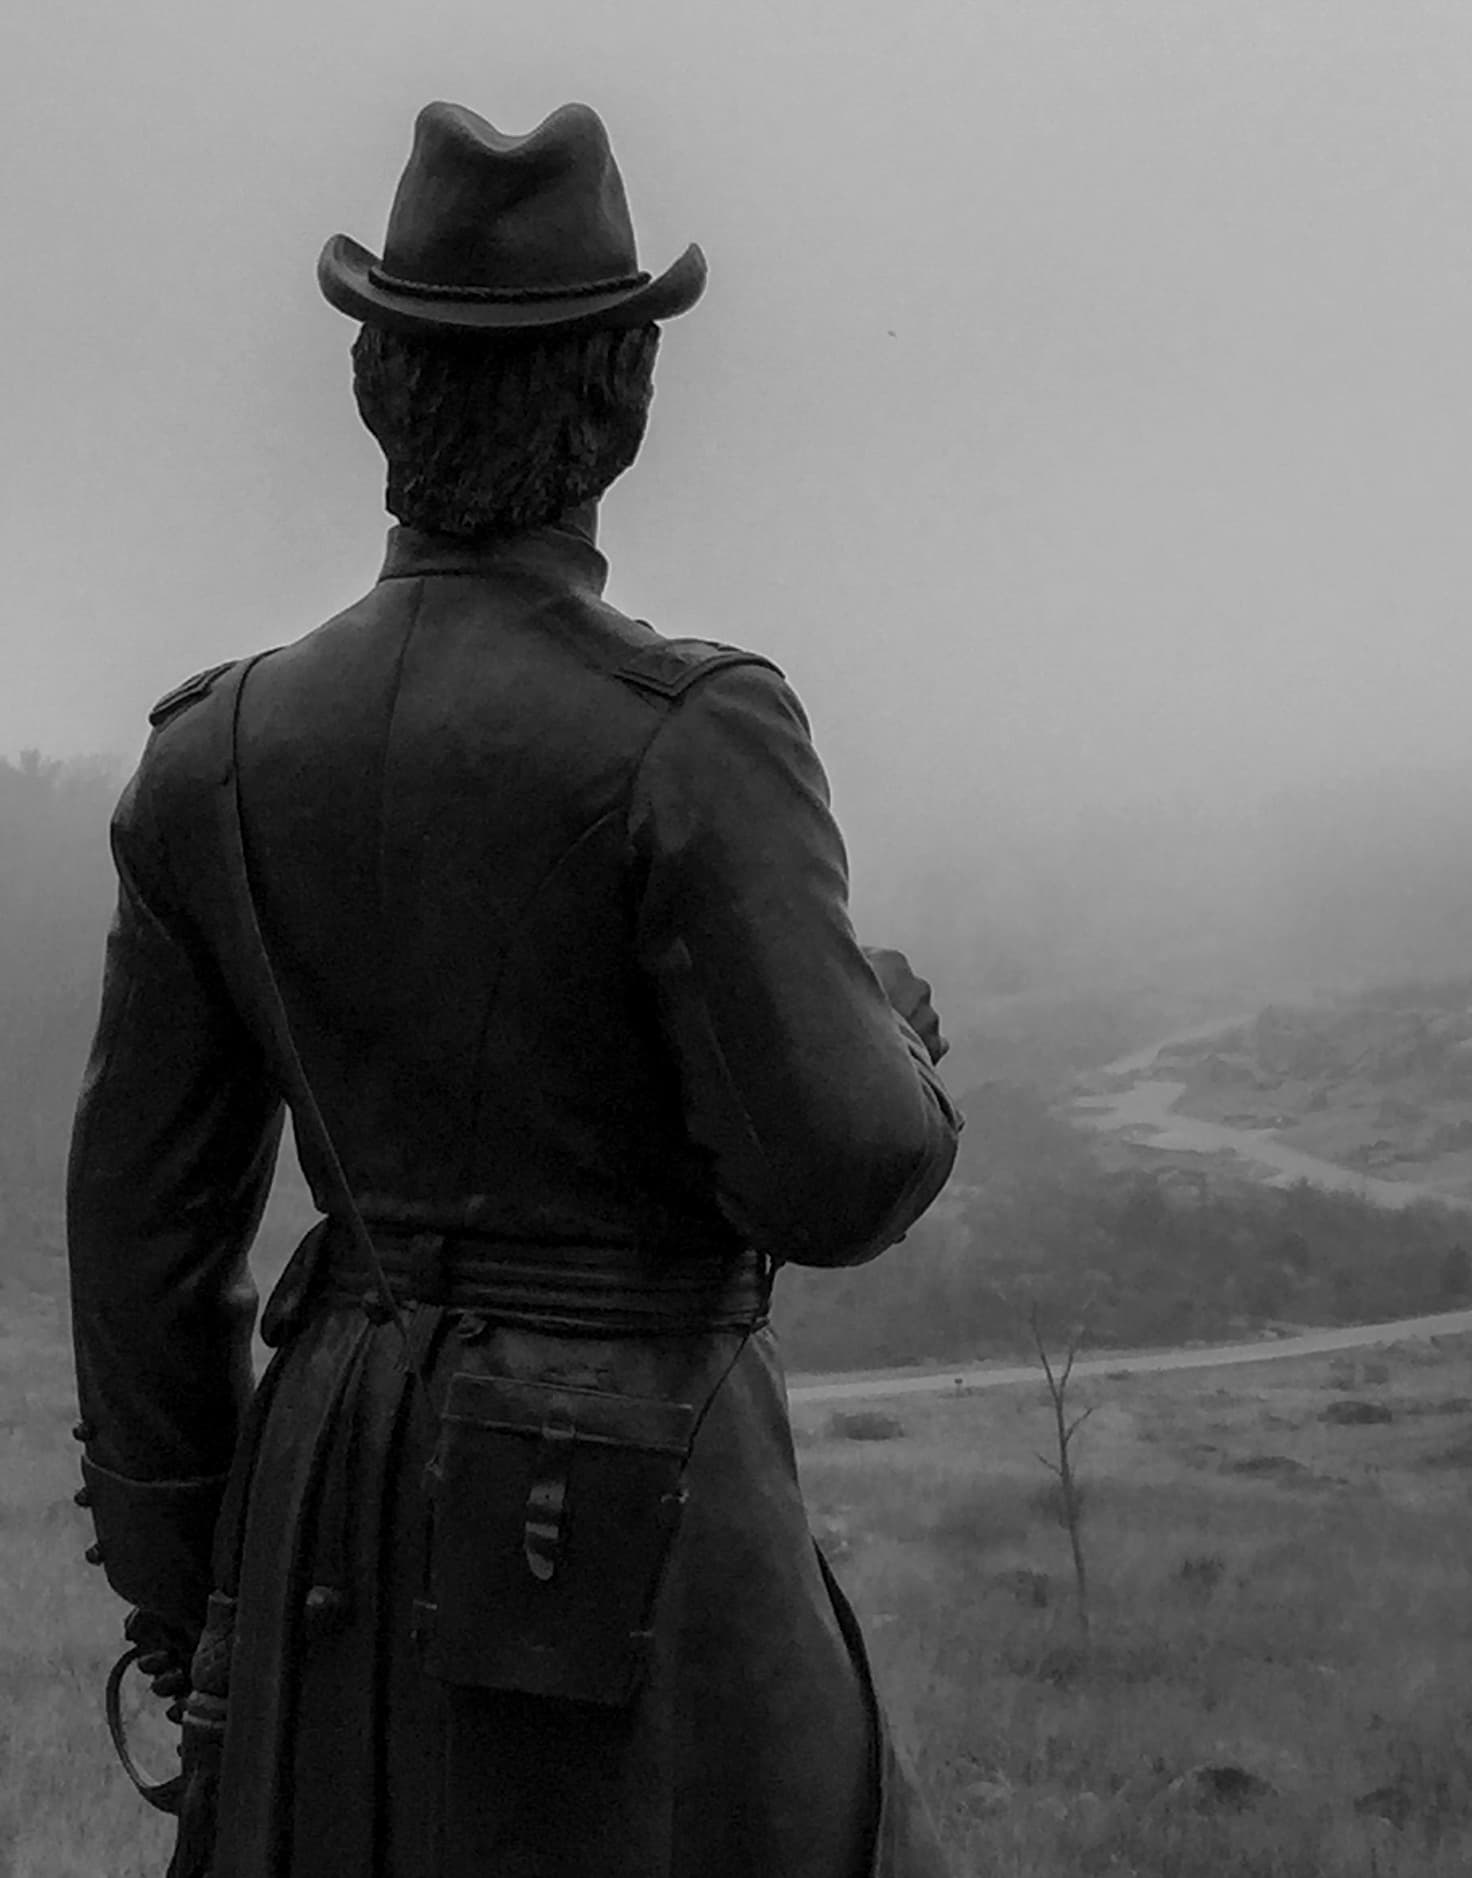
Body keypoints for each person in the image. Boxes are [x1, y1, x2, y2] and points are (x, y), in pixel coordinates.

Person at [65, 102, 962, 1875]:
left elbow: (143, 1245)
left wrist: (197, 1617)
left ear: (374, 392)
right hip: (642, 1525)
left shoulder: (213, 762)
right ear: (624, 392)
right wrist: (897, 1036)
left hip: (323, 1525)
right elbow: (843, 1171)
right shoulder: (699, 735)